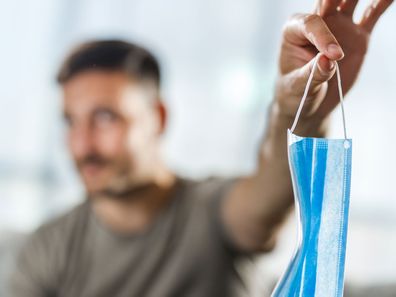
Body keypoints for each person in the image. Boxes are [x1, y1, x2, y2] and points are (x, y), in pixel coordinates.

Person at [8, 0, 393, 296]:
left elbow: (266, 199)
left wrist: (299, 111)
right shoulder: (48, 249)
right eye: (70, 121)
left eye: (105, 117)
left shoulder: (209, 213)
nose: (82, 143)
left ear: (157, 117)